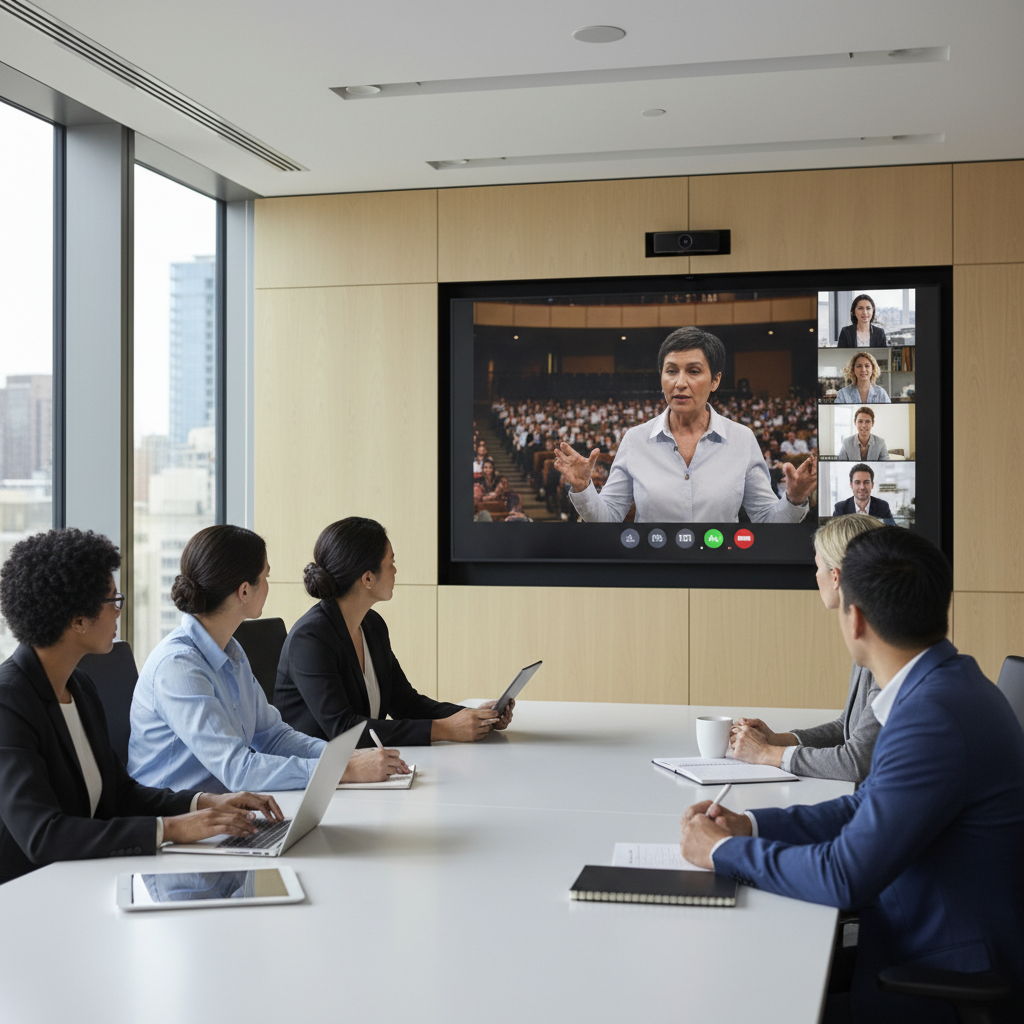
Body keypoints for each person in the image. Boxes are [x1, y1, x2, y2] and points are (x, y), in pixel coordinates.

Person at [680, 527, 1024, 1023]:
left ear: (855, 618)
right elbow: (866, 808)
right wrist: (751, 826)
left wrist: (720, 852)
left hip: (939, 979)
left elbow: (844, 876)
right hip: (926, 940)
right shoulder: (946, 684)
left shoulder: (932, 717)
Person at [0, 529, 283, 886]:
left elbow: (122, 794)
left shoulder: (80, 688)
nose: (120, 610)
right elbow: (43, 835)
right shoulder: (8, 702)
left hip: (85, 878)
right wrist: (172, 829)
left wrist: (206, 803)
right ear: (77, 619)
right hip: (27, 896)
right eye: (113, 601)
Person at [129, 525, 407, 793]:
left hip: (228, 809)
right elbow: (239, 770)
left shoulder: (232, 652)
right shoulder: (179, 668)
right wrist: (341, 770)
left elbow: (274, 737)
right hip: (178, 822)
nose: (268, 586)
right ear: (245, 591)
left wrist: (345, 758)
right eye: (266, 577)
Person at [275, 518, 513, 745]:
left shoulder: (372, 625)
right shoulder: (310, 639)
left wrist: (474, 717)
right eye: (391, 563)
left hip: (363, 766)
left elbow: (405, 703)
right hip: (315, 775)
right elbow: (344, 729)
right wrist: (445, 729)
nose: (396, 570)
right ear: (367, 578)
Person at [553, 326, 817, 523]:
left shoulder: (742, 439)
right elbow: (607, 517)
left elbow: (768, 520)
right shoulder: (635, 439)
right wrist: (583, 487)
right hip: (654, 575)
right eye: (671, 371)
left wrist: (795, 498)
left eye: (693, 371)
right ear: (661, 378)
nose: (680, 382)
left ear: (715, 381)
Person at [729, 515, 884, 782]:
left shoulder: (885, 646)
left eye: (818, 567)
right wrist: (778, 739)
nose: (815, 576)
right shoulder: (871, 630)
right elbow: (847, 728)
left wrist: (768, 754)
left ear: (835, 576)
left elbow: (856, 761)